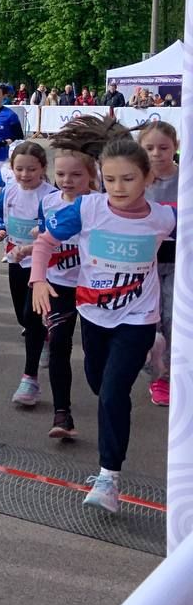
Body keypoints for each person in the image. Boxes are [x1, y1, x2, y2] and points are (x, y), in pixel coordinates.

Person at [30, 119, 173, 513]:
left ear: (147, 178)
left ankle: (109, 477)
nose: (118, 188)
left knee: (112, 393)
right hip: (94, 314)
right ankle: (154, 350)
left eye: (128, 179)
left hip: (138, 317)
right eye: (110, 180)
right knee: (97, 382)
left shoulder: (164, 218)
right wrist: (38, 279)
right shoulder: (88, 208)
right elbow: (45, 241)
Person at [0, 142, 55, 406]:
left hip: (42, 264)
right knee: (23, 317)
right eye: (19, 169)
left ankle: (29, 379)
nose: (25, 174)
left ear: (43, 168)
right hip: (15, 260)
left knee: (31, 316)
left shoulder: (50, 196)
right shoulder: (8, 192)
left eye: (31, 169)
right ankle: (44, 336)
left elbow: (59, 235)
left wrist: (38, 240)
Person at [27, 142, 95, 438]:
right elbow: (45, 241)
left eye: (76, 175)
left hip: (93, 289)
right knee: (58, 345)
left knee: (94, 356)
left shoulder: (100, 204)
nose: (67, 180)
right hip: (58, 287)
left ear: (92, 175)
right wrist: (37, 271)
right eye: (61, 174)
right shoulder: (49, 202)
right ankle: (62, 414)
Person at [138, 122, 178, 407]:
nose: (156, 153)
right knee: (152, 322)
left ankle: (168, 377)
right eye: (149, 148)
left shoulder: (186, 179)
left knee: (173, 319)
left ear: (176, 146)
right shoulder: (137, 179)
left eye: (163, 147)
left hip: (179, 263)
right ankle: (156, 370)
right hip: (145, 265)